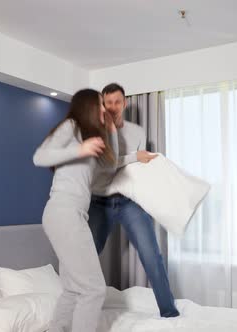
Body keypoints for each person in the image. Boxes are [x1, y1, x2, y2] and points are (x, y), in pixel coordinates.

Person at [88, 83, 180, 317]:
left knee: (152, 255)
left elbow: (137, 169)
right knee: (85, 255)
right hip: (100, 202)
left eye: (117, 102)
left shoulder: (137, 132)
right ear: (103, 104)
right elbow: (104, 167)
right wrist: (133, 157)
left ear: (125, 103)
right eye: (108, 102)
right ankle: (71, 305)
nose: (113, 107)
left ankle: (169, 313)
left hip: (130, 202)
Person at [33, 89, 118, 332]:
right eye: (101, 104)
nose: (105, 109)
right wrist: (79, 150)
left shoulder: (90, 139)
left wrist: (111, 132)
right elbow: (39, 157)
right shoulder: (71, 126)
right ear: (89, 105)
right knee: (93, 289)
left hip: (73, 215)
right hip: (63, 212)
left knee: (73, 288)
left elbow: (110, 168)